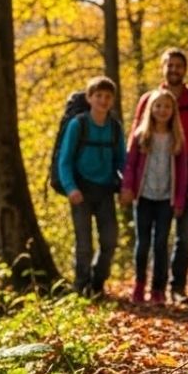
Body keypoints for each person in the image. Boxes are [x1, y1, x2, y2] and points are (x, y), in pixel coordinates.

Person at [132, 48, 188, 304]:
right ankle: (154, 287)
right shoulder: (148, 99)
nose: (174, 69)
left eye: (179, 65)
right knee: (154, 240)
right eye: (170, 65)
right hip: (153, 183)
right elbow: (136, 140)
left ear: (185, 70)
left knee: (183, 237)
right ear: (162, 68)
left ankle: (177, 288)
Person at [57, 76, 125, 297]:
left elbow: (122, 161)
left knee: (109, 241)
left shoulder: (115, 128)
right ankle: (81, 286)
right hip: (81, 191)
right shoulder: (78, 125)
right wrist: (70, 188)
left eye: (107, 97)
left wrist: (127, 185)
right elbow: (64, 161)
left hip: (105, 191)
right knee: (84, 245)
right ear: (89, 98)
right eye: (98, 96)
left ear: (112, 101)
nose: (103, 101)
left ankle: (97, 283)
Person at [120, 88, 188, 305]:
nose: (162, 110)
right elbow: (130, 164)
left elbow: (183, 173)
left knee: (160, 244)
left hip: (165, 200)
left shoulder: (177, 139)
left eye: (167, 106)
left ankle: (157, 289)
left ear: (173, 111)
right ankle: (139, 285)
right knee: (142, 244)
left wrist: (179, 201)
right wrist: (127, 188)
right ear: (151, 109)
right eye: (158, 105)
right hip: (143, 198)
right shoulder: (142, 135)